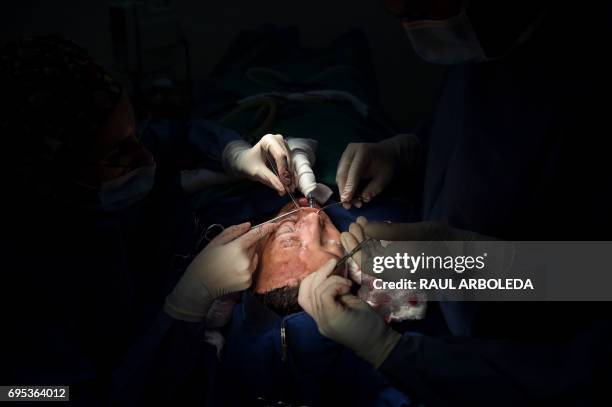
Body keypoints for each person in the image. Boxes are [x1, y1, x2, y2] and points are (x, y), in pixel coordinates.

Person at [301, 1, 612, 406]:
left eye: (421, 4)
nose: (402, 12)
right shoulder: (500, 41)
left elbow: (591, 298)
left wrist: (394, 353)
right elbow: (491, 130)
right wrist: (411, 150)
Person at [0, 35, 294, 403]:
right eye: (118, 154)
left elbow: (172, 135)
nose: (145, 157)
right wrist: (183, 309)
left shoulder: (103, 138)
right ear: (52, 178)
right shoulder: (21, 296)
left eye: (134, 132)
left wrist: (231, 151)